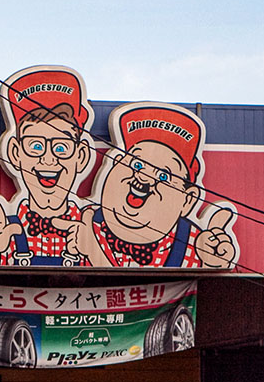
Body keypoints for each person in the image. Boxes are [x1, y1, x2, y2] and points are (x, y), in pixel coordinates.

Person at [56, 101, 237, 269]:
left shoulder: (193, 245)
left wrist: (215, 260)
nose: (143, 179)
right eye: (136, 165)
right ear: (115, 163)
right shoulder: (81, 221)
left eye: (163, 176)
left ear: (188, 200)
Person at [0, 65, 96, 267]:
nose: (48, 159)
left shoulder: (96, 227)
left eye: (61, 147)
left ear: (81, 155)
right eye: (36, 146)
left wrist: (95, 251)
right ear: (15, 153)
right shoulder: (1, 226)